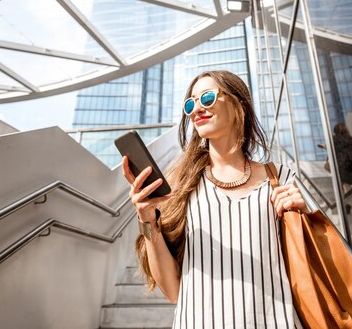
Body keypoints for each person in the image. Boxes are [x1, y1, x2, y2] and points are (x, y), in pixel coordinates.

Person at [122, 70, 310, 328]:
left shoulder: (280, 178)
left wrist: (304, 214)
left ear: (238, 104)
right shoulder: (180, 186)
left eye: (207, 98)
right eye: (190, 103)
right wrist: (147, 220)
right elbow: (173, 291)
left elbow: (308, 263)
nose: (196, 108)